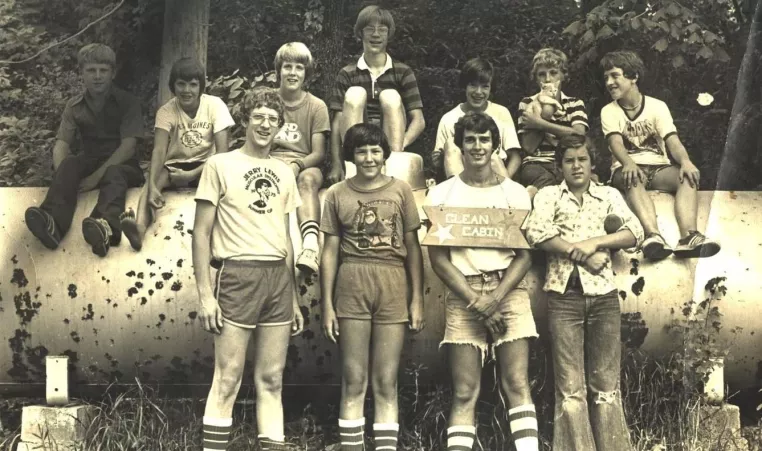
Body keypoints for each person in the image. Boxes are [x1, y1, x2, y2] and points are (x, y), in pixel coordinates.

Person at [193, 87, 304, 451]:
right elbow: (201, 233)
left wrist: (295, 300)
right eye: (258, 116)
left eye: (272, 119)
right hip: (237, 275)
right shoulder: (220, 164)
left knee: (272, 379)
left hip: (277, 280)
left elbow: (286, 239)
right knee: (228, 378)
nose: (265, 124)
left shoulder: (284, 172)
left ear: (280, 127)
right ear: (245, 120)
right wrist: (206, 295)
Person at [425, 112, 539, 451]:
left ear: (496, 146)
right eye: (470, 139)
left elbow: (526, 256)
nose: (477, 146)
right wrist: (478, 301)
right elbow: (438, 259)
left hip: (509, 291)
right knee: (464, 390)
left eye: (484, 139)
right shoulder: (442, 194)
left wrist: (496, 298)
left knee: (517, 383)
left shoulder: (515, 193)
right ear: (459, 145)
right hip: (464, 293)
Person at [523, 136, 642, 451]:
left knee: (606, 385)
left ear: (592, 163)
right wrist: (582, 254)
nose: (576, 166)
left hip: (603, 298)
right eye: (569, 160)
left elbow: (635, 232)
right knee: (571, 388)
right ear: (559, 165)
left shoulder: (608, 195)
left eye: (582, 159)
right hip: (564, 298)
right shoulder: (550, 195)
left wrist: (596, 244)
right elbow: (536, 231)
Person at [320, 123, 425, 451]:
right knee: (354, 381)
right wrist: (326, 305)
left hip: (392, 282)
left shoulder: (401, 190)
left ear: (385, 155)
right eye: (361, 151)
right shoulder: (337, 193)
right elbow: (329, 252)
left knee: (385, 382)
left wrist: (417, 299)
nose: (368, 157)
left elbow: (413, 246)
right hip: (352, 282)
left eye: (375, 151)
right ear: (350, 155)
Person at [24, 43, 145, 257]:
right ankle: (52, 224)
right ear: (82, 73)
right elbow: (61, 145)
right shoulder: (74, 106)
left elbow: (128, 147)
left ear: (112, 73)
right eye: (91, 70)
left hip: (124, 166)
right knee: (69, 163)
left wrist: (94, 179)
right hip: (90, 161)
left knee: (114, 173)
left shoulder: (128, 102)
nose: (97, 76)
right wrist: (64, 178)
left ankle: (106, 227)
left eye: (103, 70)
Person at [600, 50, 720, 260]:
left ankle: (689, 237)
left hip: (657, 168)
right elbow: (615, 143)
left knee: (687, 177)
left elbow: (672, 140)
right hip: (626, 170)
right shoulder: (608, 110)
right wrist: (628, 162)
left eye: (614, 75)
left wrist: (685, 161)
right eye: (606, 78)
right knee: (633, 177)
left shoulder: (657, 106)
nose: (609, 82)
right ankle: (652, 236)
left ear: (633, 77)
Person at [120, 57, 234, 251]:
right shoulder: (166, 111)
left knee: (225, 187)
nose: (187, 90)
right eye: (181, 84)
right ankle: (138, 230)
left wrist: (192, 174)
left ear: (200, 87)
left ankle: (225, 237)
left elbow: (223, 153)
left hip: (208, 164)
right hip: (176, 165)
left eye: (193, 84)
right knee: (151, 184)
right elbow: (159, 150)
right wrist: (154, 185)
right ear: (173, 86)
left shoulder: (215, 106)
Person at [327, 5, 425, 184]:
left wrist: (402, 142)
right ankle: (352, 172)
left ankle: (392, 170)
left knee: (390, 96)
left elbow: (418, 120)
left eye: (382, 29)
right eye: (370, 29)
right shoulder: (347, 73)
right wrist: (336, 164)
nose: (376, 34)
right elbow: (337, 122)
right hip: (358, 140)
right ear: (360, 33)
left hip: (391, 141)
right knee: (355, 94)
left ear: (389, 35)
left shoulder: (403, 72)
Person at [271, 42, 331, 273]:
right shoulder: (269, 100)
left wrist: (297, 165)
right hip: (272, 160)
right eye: (287, 67)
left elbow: (318, 153)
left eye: (299, 67)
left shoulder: (316, 106)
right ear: (279, 71)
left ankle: (309, 246)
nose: (293, 73)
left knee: (308, 180)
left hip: (306, 163)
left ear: (306, 73)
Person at [517, 48, 589, 199]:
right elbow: (529, 147)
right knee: (547, 187)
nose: (548, 79)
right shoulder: (527, 103)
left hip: (567, 162)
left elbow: (579, 135)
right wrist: (545, 111)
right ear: (536, 78)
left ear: (563, 76)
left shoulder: (574, 103)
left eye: (553, 72)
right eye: (542, 74)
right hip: (536, 163)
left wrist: (539, 123)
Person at [433, 57, 521, 180]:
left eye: (485, 86)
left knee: (494, 158)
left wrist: (506, 180)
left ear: (491, 88)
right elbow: (439, 160)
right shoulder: (449, 119)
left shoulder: (501, 113)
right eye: (473, 85)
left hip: (495, 176)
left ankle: (505, 193)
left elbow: (515, 156)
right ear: (465, 86)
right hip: (461, 177)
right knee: (451, 145)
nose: (478, 92)